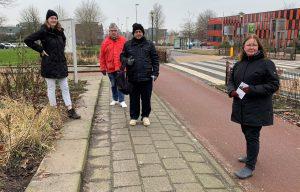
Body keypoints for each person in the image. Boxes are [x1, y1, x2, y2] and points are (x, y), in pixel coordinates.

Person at [227, 34, 279, 179]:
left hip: (257, 107)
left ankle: (250, 166)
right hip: (241, 105)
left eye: (254, 45)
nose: (251, 47)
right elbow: (230, 80)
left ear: (259, 47)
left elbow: (274, 85)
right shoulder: (239, 64)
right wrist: (231, 91)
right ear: (243, 47)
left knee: (252, 135)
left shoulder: (266, 63)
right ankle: (251, 155)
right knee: (246, 131)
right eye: (248, 45)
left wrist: (252, 89)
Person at [24, 9, 80, 119]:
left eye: (55, 18)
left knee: (65, 88)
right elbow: (28, 40)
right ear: (47, 19)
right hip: (49, 65)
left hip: (60, 64)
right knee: (51, 88)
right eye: (51, 18)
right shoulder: (43, 31)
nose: (54, 20)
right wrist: (40, 49)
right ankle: (53, 111)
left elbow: (63, 42)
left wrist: (61, 54)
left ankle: (70, 110)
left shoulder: (60, 31)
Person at [120, 23, 159, 126]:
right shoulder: (128, 44)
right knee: (134, 99)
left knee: (146, 99)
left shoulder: (149, 44)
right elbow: (122, 57)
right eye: (136, 32)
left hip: (146, 77)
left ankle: (145, 116)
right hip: (132, 78)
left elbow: (155, 59)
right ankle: (134, 117)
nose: (138, 33)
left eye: (140, 31)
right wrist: (127, 61)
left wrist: (155, 73)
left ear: (143, 33)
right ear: (133, 33)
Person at [99, 23, 127, 108]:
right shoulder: (105, 42)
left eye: (115, 30)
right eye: (112, 31)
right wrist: (102, 68)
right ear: (109, 32)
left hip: (120, 67)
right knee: (113, 84)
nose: (114, 32)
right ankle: (115, 99)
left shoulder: (123, 40)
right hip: (110, 68)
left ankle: (122, 100)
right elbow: (102, 56)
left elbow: (128, 53)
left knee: (121, 84)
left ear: (117, 31)